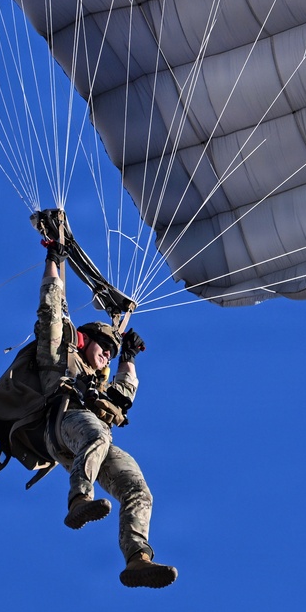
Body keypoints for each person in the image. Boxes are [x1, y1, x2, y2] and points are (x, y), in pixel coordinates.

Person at [34, 238, 178, 589]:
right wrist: (55, 259)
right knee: (96, 434)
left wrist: (128, 357)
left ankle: (137, 558)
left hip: (90, 441)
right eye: (106, 348)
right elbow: (51, 310)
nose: (108, 356)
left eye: (113, 353)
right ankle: (79, 499)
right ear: (87, 341)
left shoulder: (100, 383)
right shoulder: (59, 357)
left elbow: (123, 398)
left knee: (137, 487)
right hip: (63, 424)